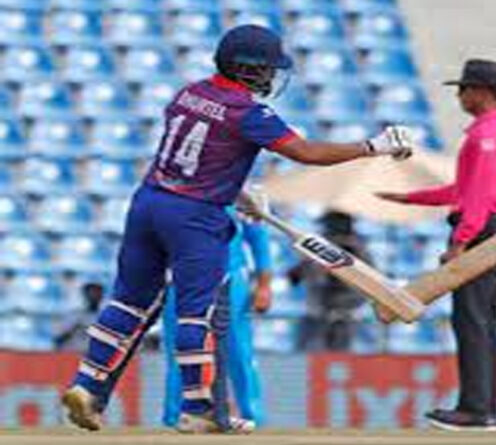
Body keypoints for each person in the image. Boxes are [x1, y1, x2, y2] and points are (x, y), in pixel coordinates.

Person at [60, 24, 414, 434]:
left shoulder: (188, 93)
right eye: (267, 69)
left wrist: (236, 189)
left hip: (149, 201)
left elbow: (193, 154)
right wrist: (372, 147)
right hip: (195, 216)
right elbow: (306, 152)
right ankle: (198, 410)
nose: (271, 77)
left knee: (127, 301)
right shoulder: (249, 113)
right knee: (198, 313)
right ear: (248, 69)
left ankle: (87, 385)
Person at [376, 59, 496, 431]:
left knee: (473, 320)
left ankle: (476, 410)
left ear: (480, 91)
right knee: (480, 320)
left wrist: (461, 243)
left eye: (463, 88)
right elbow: (466, 188)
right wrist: (411, 198)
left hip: (483, 232)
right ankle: (481, 408)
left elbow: (478, 195)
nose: (460, 96)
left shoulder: (486, 135)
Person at [161, 204, 273, 428]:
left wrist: (264, 285)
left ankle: (252, 415)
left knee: (238, 351)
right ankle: (175, 417)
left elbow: (258, 237)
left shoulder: (242, 192)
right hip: (181, 279)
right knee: (181, 351)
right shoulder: (169, 191)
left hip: (230, 277)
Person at [290, 210, 366, 351]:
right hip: (317, 311)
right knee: (308, 352)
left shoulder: (357, 248)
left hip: (345, 313)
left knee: (339, 357)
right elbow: (294, 277)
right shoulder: (319, 247)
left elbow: (367, 282)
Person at [54, 281, 106, 350]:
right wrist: (75, 327)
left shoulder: (105, 317)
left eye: (98, 293)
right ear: (85, 295)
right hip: (74, 352)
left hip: (95, 353)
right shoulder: (73, 315)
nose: (95, 296)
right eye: (92, 293)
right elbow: (58, 340)